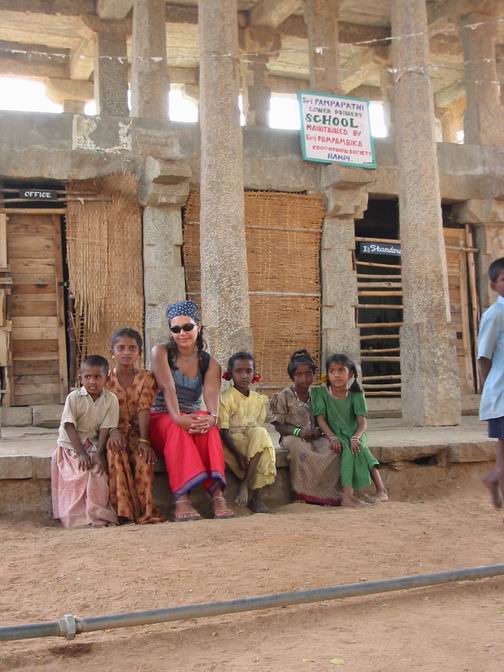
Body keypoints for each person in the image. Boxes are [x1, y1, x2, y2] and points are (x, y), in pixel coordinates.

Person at [149, 300, 233, 521]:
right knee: (176, 427)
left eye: (187, 327)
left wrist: (213, 418)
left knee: (209, 427)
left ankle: (217, 496)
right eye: (176, 329)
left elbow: (212, 394)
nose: (182, 333)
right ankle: (182, 499)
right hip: (162, 416)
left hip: (189, 417)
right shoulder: (160, 352)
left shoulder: (210, 363)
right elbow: (167, 387)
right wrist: (178, 418)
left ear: (199, 327)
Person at [311, 353, 388, 507]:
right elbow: (321, 420)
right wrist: (332, 437)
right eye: (332, 371)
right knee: (346, 449)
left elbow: (362, 424)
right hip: (336, 433)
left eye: (341, 370)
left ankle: (381, 490)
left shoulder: (356, 395)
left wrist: (356, 437)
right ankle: (348, 496)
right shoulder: (320, 394)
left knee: (360, 449)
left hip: (355, 433)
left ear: (351, 373)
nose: (336, 375)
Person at [51, 355, 119, 528]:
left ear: (107, 378)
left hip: (93, 446)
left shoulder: (111, 399)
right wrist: (81, 453)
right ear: (80, 378)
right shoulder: (73, 398)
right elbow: (68, 425)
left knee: (97, 472)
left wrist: (99, 454)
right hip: (71, 447)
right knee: (79, 474)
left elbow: (105, 428)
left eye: (97, 377)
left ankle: (97, 515)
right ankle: (77, 518)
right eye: (87, 377)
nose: (92, 382)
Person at [270, 350, 342, 506]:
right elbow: (278, 425)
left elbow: (324, 419)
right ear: (292, 376)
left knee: (333, 450)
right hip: (292, 437)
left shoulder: (317, 395)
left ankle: (326, 493)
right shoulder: (283, 396)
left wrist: (319, 431)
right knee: (301, 451)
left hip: (315, 437)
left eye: (308, 374)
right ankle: (303, 493)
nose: (304, 378)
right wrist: (299, 432)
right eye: (299, 374)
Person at [106, 327, 163, 524]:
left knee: (143, 457)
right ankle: (123, 512)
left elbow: (144, 408)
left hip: (140, 433)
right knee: (115, 451)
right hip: (113, 431)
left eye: (132, 348)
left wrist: (144, 441)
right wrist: (113, 431)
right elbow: (102, 412)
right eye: (121, 348)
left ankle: (145, 512)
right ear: (112, 351)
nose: (126, 352)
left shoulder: (146, 378)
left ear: (139, 352)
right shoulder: (106, 379)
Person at [219, 352, 276, 513]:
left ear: (254, 374)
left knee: (262, 435)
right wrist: (238, 455)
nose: (244, 375)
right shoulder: (225, 398)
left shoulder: (259, 399)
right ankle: (255, 496)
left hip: (253, 440)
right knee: (258, 444)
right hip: (232, 442)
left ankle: (247, 487)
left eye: (248, 371)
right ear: (230, 374)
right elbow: (223, 431)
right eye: (239, 371)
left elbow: (258, 427)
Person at [478, 257, 504, 509]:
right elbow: (484, 356)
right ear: (493, 285)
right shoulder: (495, 315)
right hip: (502, 394)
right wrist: (488, 388)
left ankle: (494, 477)